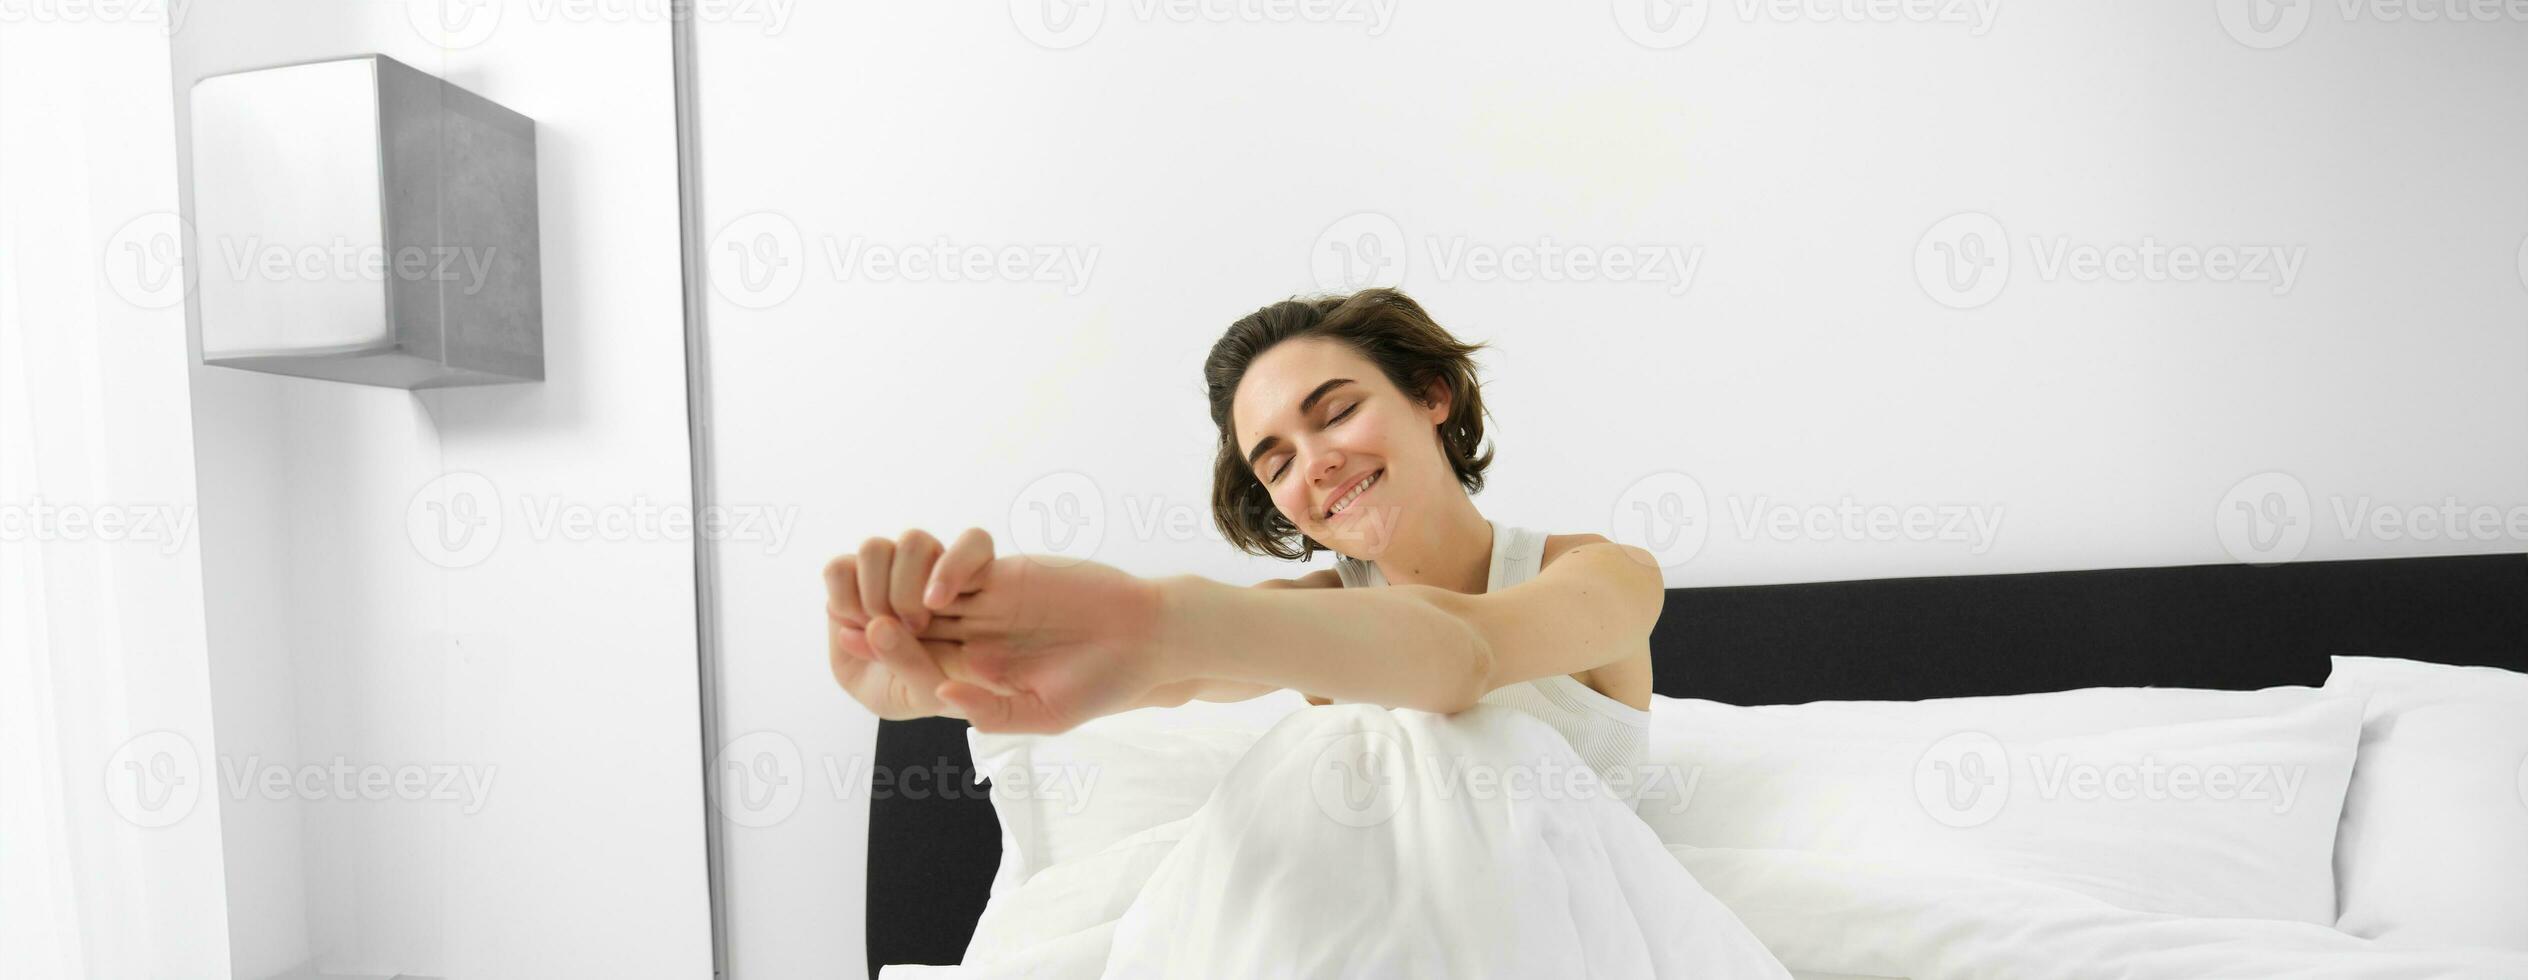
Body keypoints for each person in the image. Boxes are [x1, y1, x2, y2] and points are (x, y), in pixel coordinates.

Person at [822, 287, 1660, 802]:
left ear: (1432, 395)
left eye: (1335, 413)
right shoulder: (1303, 624)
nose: (1318, 462)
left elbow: (1466, 653)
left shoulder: (1602, 576)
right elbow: (1178, 669)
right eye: (1278, 460)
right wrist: (946, 665)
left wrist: (1158, 619)